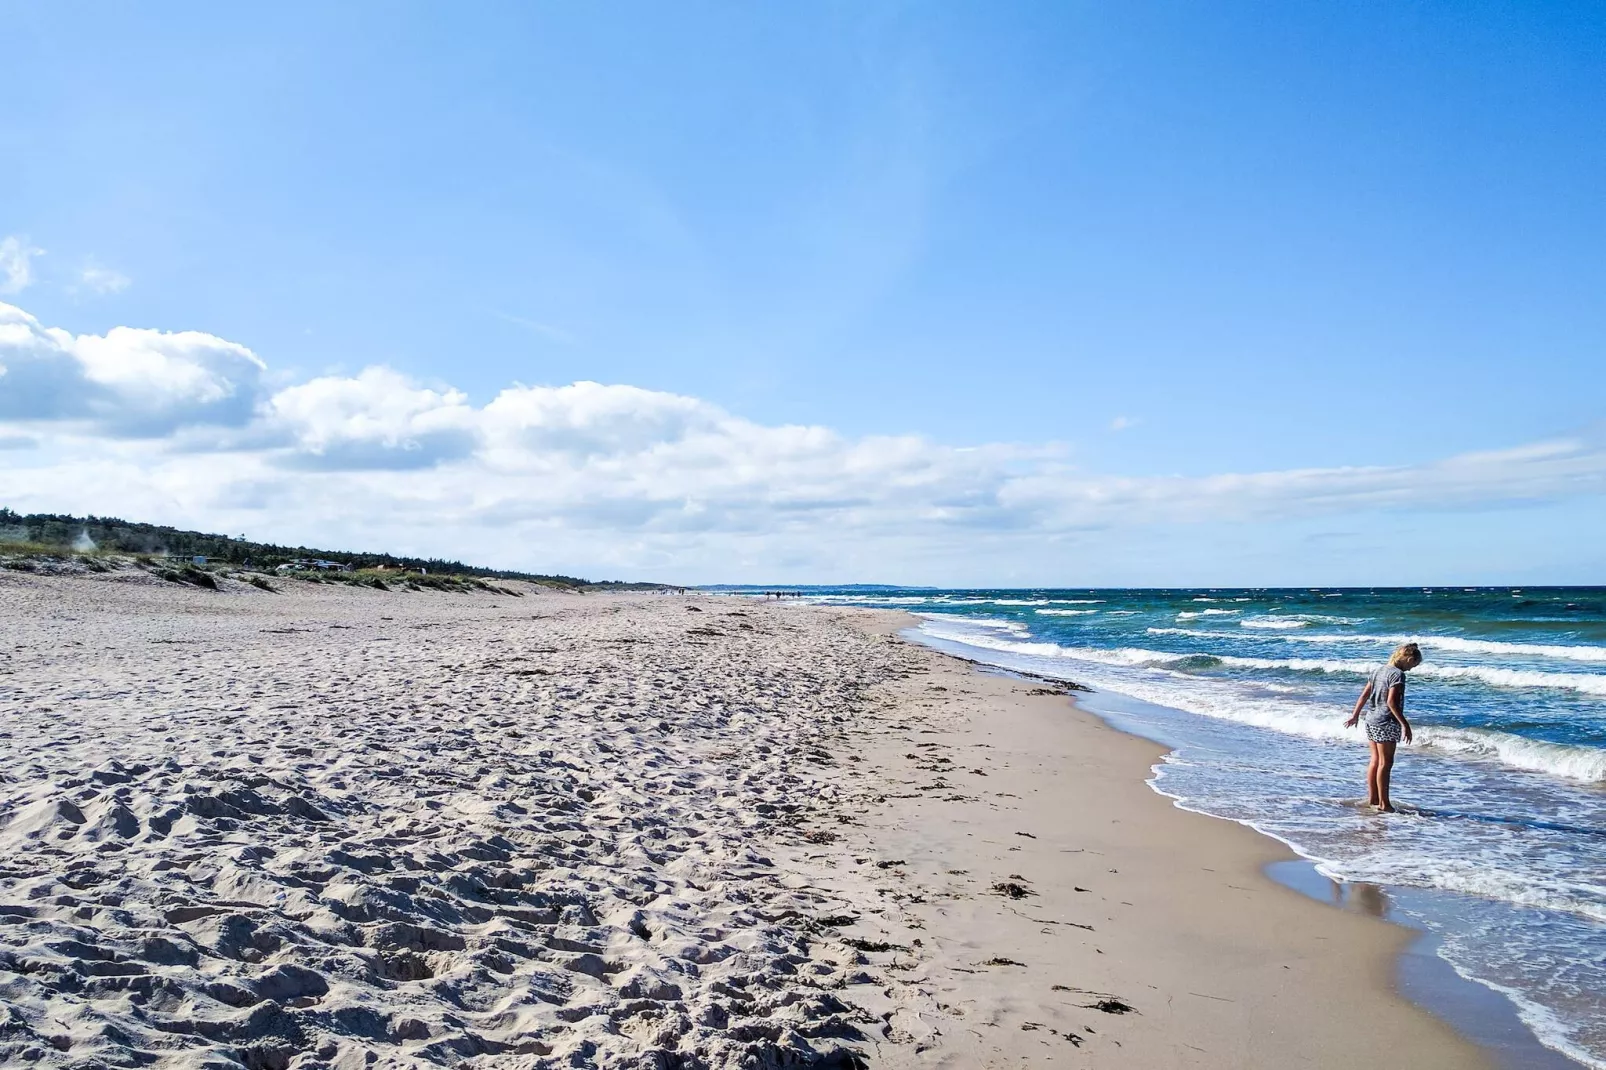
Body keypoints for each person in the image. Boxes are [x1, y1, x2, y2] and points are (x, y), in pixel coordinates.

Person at [1343, 642, 1422, 812]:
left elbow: (1364, 695)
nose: (1412, 668)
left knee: (1375, 761)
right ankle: (1385, 804)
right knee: (1385, 763)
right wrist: (1405, 724)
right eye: (1414, 664)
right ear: (1408, 658)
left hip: (1371, 719)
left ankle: (1374, 799)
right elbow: (1391, 702)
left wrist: (1355, 715)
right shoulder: (1397, 675)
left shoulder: (1379, 670)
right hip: (1386, 721)